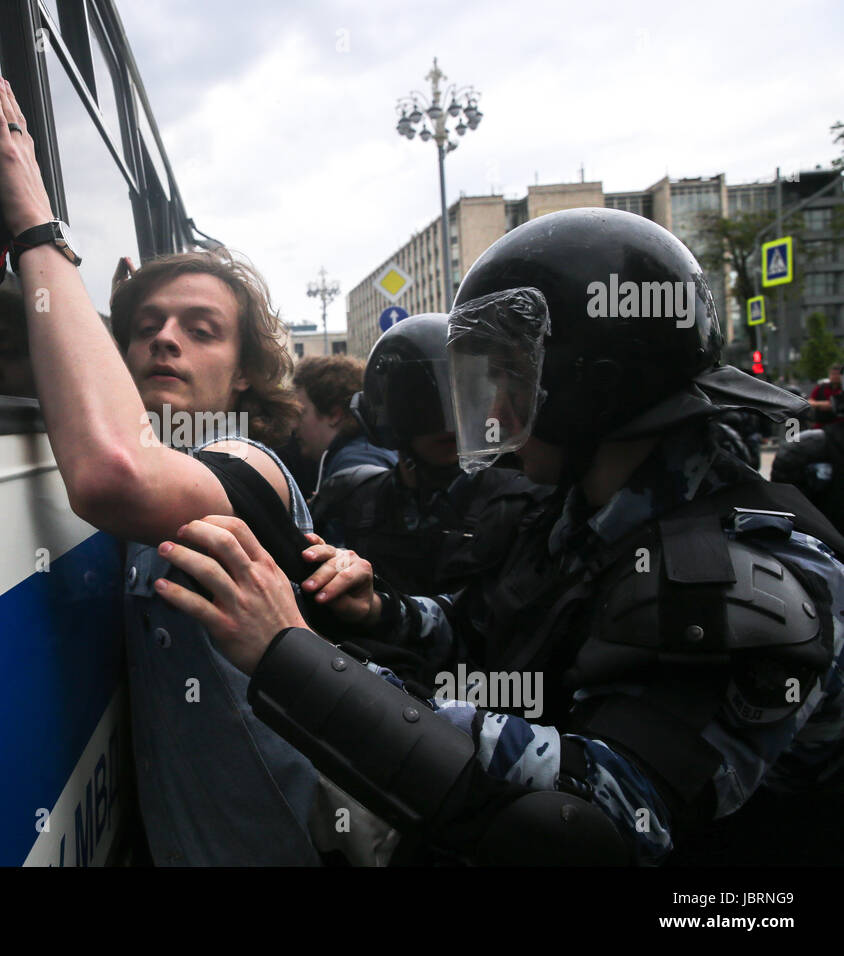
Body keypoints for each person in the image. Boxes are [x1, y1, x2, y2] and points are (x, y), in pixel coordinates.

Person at [152, 207, 844, 865]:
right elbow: (485, 629)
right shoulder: (579, 511)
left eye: (510, 377)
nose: (494, 409)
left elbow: (596, 819)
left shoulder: (746, 569)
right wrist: (381, 612)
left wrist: (294, 660)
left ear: (591, 387)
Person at [0, 77, 360, 865]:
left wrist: (36, 228)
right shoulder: (141, 456)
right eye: (145, 327)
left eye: (202, 329)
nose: (166, 340)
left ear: (247, 373)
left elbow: (114, 472)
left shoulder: (249, 467)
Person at [313, 314, 551, 597]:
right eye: (422, 403)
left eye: (461, 398)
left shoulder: (524, 505)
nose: (447, 421)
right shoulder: (349, 498)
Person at [291, 355, 397, 543]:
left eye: (301, 412)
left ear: (334, 414)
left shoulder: (354, 463)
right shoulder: (363, 450)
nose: (294, 425)